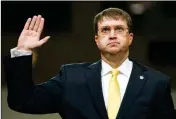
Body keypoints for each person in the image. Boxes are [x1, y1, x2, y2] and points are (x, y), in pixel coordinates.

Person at [3, 7, 175, 119]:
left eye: (119, 29)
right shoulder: (71, 78)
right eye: (105, 30)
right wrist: (23, 52)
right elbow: (22, 101)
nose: (112, 35)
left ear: (130, 38)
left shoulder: (156, 83)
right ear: (97, 40)